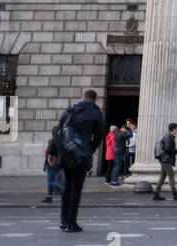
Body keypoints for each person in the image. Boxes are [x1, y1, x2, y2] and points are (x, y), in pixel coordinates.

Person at [55, 89, 104, 232]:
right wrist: (90, 150)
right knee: (76, 188)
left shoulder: (69, 110)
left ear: (83, 98)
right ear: (94, 100)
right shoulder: (96, 113)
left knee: (67, 187)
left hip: (66, 155)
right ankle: (72, 222)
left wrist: (54, 153)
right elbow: (99, 136)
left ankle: (63, 220)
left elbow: (58, 133)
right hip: (81, 156)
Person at [152, 122, 177, 201]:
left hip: (164, 159)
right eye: (176, 129)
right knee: (171, 176)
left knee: (163, 177)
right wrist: (176, 151)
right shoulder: (169, 137)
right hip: (165, 159)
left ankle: (156, 194)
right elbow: (167, 149)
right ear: (173, 129)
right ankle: (175, 194)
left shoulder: (169, 136)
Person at [43, 131, 64, 204]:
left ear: (52, 133)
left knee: (50, 181)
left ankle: (65, 191)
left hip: (51, 164)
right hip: (58, 164)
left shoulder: (52, 141)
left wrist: (47, 164)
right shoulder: (62, 141)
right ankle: (49, 197)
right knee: (50, 182)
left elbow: (49, 154)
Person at [109, 121, 132, 187]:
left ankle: (112, 181)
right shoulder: (120, 134)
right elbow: (130, 135)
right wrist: (126, 130)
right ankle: (114, 182)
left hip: (116, 151)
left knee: (115, 166)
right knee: (118, 166)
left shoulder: (116, 134)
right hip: (119, 151)